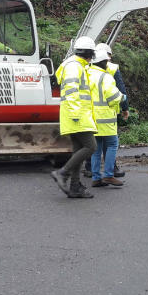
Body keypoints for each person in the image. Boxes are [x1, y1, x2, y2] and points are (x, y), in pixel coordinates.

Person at [50, 36, 97, 199]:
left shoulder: (78, 66)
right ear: (89, 52)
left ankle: (75, 187)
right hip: (76, 116)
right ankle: (62, 173)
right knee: (91, 147)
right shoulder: (74, 66)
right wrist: (76, 114)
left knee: (79, 151)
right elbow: (71, 91)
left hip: (76, 115)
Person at [83, 42, 129, 178]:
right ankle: (110, 172)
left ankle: (93, 172)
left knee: (94, 146)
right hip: (107, 117)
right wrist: (124, 103)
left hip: (91, 116)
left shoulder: (86, 72)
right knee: (112, 144)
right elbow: (118, 93)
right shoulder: (110, 72)